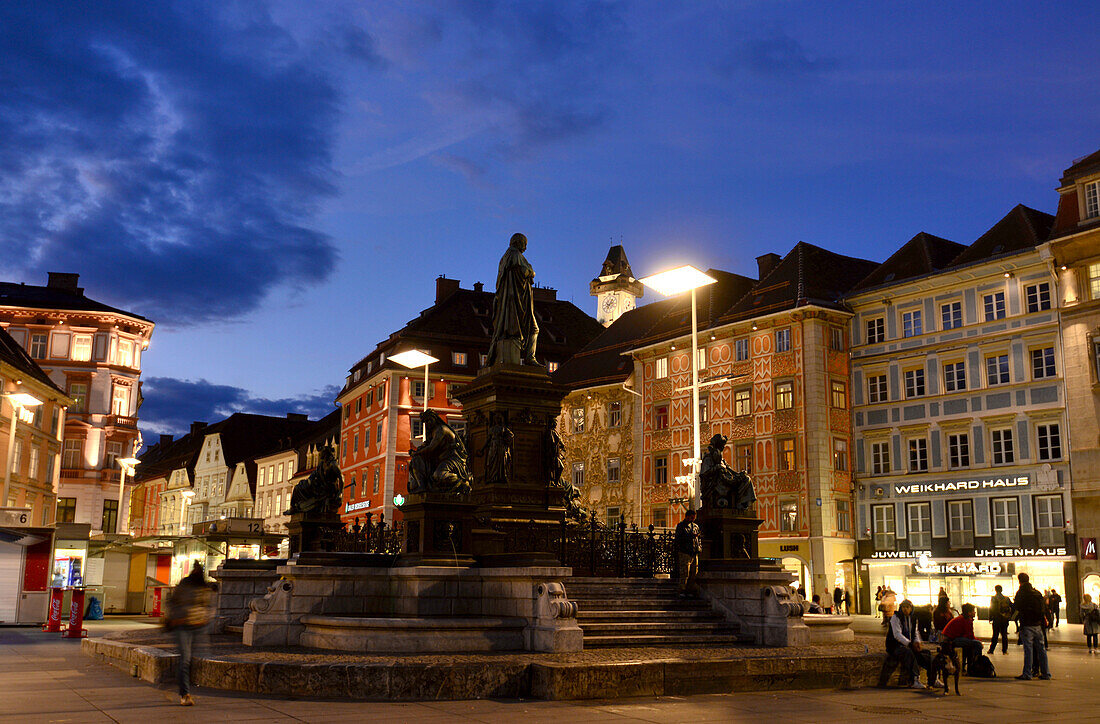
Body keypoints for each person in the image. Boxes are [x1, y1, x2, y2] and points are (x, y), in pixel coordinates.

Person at [165, 563, 215, 706]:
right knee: (186, 660)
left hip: (197, 627)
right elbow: (173, 603)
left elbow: (208, 606)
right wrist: (176, 619)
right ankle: (184, 693)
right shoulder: (185, 585)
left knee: (190, 659)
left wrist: (205, 617)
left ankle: (184, 686)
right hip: (183, 626)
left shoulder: (204, 587)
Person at [487, 232, 539, 365]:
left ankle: (530, 357)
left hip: (517, 300)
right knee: (533, 329)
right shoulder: (514, 255)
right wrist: (531, 271)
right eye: (525, 244)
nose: (526, 248)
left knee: (531, 329)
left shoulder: (506, 257)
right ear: (518, 242)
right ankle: (529, 358)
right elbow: (525, 271)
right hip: (517, 301)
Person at [1013, 572, 1051, 680]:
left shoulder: (1021, 593)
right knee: (1041, 650)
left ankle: (1027, 673)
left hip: (1027, 624)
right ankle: (1045, 673)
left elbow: (1017, 607)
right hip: (1038, 625)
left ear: (1019, 580)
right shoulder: (1036, 592)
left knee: (1028, 650)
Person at [886, 599, 928, 689]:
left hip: (909, 644)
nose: (905, 609)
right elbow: (897, 634)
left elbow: (915, 632)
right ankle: (915, 679)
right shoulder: (896, 617)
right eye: (903, 607)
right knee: (908, 653)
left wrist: (917, 642)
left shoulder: (912, 618)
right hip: (895, 646)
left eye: (907, 607)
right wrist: (909, 644)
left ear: (911, 608)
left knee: (925, 653)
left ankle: (933, 677)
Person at [941, 603, 983, 674]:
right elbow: (970, 636)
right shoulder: (966, 620)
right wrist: (979, 641)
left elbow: (968, 636)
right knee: (977, 644)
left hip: (949, 638)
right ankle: (976, 664)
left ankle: (972, 665)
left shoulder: (962, 618)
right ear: (969, 613)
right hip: (951, 640)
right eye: (973, 611)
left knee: (973, 644)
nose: (975, 613)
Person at [674, 509, 702, 597]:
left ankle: (690, 590)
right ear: (686, 517)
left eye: (694, 518)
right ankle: (682, 590)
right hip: (685, 552)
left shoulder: (695, 526)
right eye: (691, 517)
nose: (692, 519)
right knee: (684, 572)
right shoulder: (681, 526)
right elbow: (678, 539)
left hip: (694, 552)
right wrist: (690, 537)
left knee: (694, 573)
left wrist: (699, 547)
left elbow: (699, 538)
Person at [989, 584, 1012, 654]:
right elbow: (1012, 606)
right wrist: (1009, 616)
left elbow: (991, 608)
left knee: (995, 635)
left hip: (996, 619)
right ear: (1001, 590)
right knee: (1004, 634)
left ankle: (991, 650)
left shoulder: (993, 598)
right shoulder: (1007, 599)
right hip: (1004, 619)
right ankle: (1004, 650)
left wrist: (990, 617)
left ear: (995, 590)